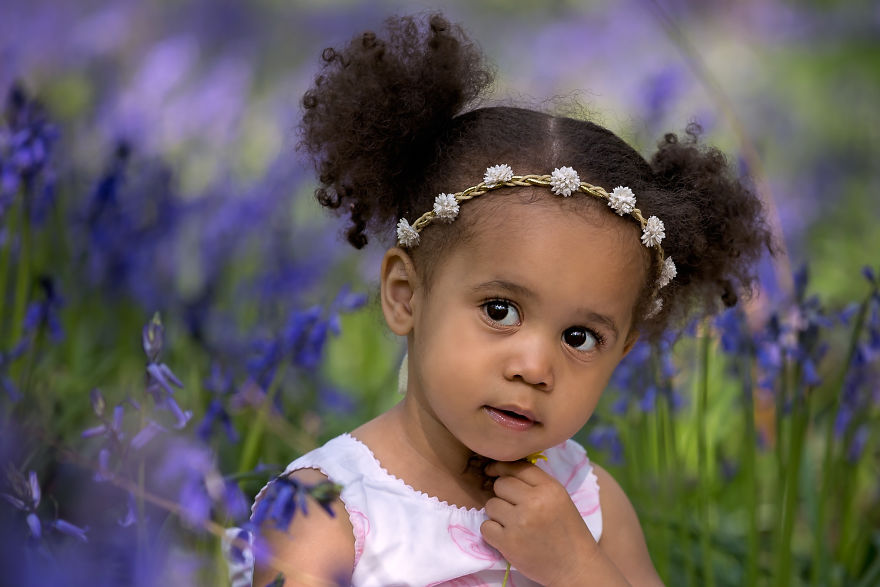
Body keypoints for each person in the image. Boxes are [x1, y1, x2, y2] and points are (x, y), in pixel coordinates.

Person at [250, 13, 772, 587]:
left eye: (580, 337)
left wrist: (578, 568)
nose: (534, 367)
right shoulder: (325, 509)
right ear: (406, 296)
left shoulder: (590, 502)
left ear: (622, 353)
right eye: (500, 310)